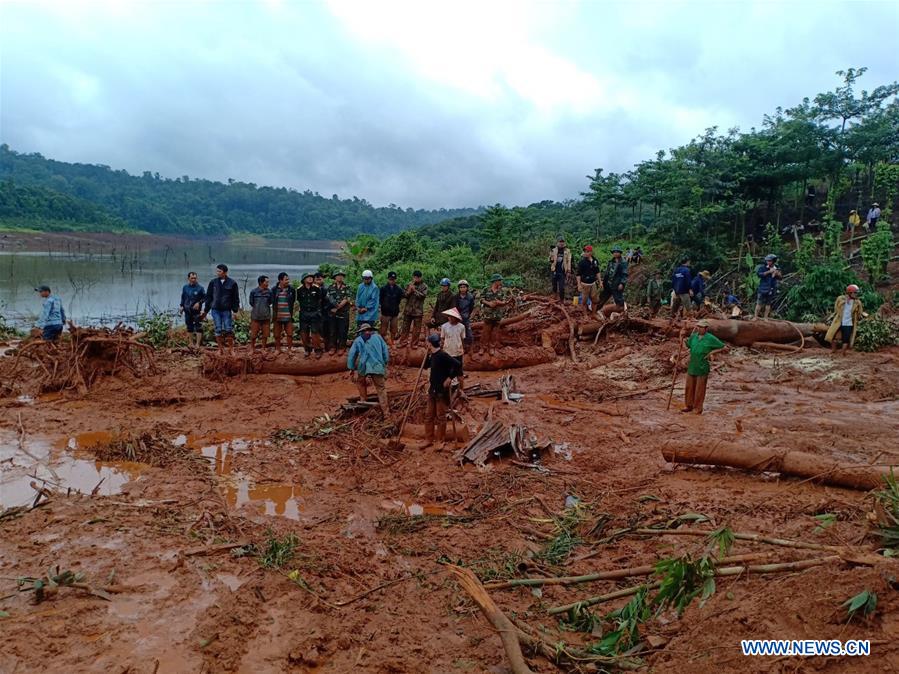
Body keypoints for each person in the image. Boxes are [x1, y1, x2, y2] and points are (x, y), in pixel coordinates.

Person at [421, 333, 463, 450]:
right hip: (432, 389)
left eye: (427, 342)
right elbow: (425, 366)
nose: (426, 344)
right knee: (428, 415)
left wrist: (449, 378)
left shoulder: (443, 355)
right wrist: (427, 355)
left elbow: (457, 364)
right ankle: (428, 439)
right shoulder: (432, 355)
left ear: (430, 343)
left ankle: (440, 440)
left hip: (441, 390)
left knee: (440, 416)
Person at [682, 320, 728, 415]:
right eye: (698, 326)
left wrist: (712, 352)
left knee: (700, 389)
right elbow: (687, 346)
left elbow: (725, 347)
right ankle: (688, 405)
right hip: (692, 365)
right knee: (689, 387)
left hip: (702, 366)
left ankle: (697, 408)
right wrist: (681, 337)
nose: (699, 328)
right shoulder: (694, 337)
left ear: (706, 328)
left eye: (701, 327)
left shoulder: (710, 338)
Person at [346, 322, 389, 416]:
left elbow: (352, 355)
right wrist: (385, 363)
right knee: (381, 389)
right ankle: (386, 413)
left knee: (360, 383)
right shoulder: (378, 337)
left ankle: (363, 401)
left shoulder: (358, 340)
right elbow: (385, 351)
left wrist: (351, 368)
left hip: (363, 367)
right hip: (377, 366)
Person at [202, 263, 240, 355]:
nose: (217, 273)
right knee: (218, 329)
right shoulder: (213, 282)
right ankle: (220, 349)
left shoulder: (232, 283)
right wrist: (206, 311)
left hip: (227, 310)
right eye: (217, 271)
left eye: (219, 271)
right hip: (215, 310)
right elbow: (209, 297)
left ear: (225, 272)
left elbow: (235, 298)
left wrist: (235, 311)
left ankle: (231, 349)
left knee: (228, 329)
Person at [825, 284, 866, 355]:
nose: (856, 294)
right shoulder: (840, 299)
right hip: (838, 321)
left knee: (845, 339)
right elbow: (836, 308)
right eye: (855, 292)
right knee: (831, 336)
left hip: (849, 323)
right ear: (850, 293)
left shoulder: (857, 302)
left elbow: (860, 312)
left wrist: (864, 316)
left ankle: (843, 353)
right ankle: (833, 350)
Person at [479, 274, 512, 356]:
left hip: (497, 314)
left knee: (495, 332)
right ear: (495, 281)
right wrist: (489, 303)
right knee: (485, 332)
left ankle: (492, 348)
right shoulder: (486, 289)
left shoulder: (502, 291)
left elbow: (505, 302)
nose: (501, 282)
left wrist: (498, 302)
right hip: (488, 314)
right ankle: (483, 348)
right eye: (499, 280)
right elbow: (481, 299)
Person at [297, 272, 324, 358]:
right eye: (308, 277)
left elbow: (320, 300)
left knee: (315, 333)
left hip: (314, 313)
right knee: (304, 333)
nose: (310, 278)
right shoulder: (299, 289)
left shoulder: (316, 288)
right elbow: (299, 300)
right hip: (304, 313)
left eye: (311, 277)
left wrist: (318, 312)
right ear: (304, 280)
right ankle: (307, 349)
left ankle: (318, 350)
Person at [440, 307, 466, 391]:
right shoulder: (444, 326)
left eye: (452, 316)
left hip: (458, 352)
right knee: (447, 372)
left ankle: (461, 390)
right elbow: (442, 339)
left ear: (456, 318)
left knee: (459, 373)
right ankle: (447, 391)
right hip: (447, 352)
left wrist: (463, 349)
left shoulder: (461, 327)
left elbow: (462, 339)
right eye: (449, 316)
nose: (450, 318)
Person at [325, 271, 351, 354]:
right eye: (338, 276)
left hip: (343, 313)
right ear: (335, 277)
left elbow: (346, 299)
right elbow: (329, 298)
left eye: (341, 276)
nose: (340, 277)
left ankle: (341, 347)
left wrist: (338, 307)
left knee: (342, 331)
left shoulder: (347, 287)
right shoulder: (330, 287)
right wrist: (335, 308)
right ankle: (333, 347)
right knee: (332, 331)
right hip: (332, 313)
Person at [399, 270, 428, 346]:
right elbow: (404, 295)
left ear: (420, 278)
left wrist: (414, 290)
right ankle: (403, 342)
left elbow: (422, 296)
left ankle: (414, 344)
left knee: (417, 329)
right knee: (405, 327)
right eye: (414, 277)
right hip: (408, 310)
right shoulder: (409, 284)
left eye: (417, 277)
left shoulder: (424, 286)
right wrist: (409, 290)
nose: (416, 279)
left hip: (418, 311)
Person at [179, 272, 206, 349]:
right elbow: (183, 297)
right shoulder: (185, 287)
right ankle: (191, 343)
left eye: (195, 278)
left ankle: (197, 344)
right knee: (189, 327)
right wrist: (181, 306)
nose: (194, 280)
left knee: (198, 327)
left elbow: (205, 298)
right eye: (192, 278)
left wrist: (199, 303)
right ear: (188, 278)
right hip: (187, 310)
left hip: (196, 311)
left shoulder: (200, 288)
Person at [596, 246, 628, 312]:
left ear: (620, 253)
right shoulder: (611, 262)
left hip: (616, 284)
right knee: (602, 298)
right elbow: (607, 272)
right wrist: (603, 281)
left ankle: (621, 313)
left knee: (619, 300)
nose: (615, 253)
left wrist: (622, 283)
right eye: (614, 252)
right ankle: (595, 311)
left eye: (617, 252)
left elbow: (624, 274)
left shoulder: (623, 262)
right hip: (608, 284)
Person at [272, 272, 296, 355]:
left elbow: (293, 301)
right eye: (286, 280)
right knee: (277, 334)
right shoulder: (274, 289)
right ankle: (278, 349)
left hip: (288, 315)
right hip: (278, 316)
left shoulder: (291, 289)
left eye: (288, 279)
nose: (288, 281)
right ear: (280, 280)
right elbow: (272, 301)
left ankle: (289, 349)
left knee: (289, 333)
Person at [248, 275, 273, 352]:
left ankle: (263, 348)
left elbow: (270, 302)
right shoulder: (254, 292)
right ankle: (252, 348)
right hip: (256, 316)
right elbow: (251, 302)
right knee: (254, 334)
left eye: (268, 282)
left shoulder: (269, 292)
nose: (268, 283)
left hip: (266, 316)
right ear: (261, 282)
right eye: (266, 282)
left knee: (265, 334)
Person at [753, 254, 781, 320]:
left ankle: (766, 317)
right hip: (763, 288)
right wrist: (769, 272)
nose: (768, 262)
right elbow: (759, 274)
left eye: (770, 261)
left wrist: (778, 274)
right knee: (759, 303)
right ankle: (755, 317)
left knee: (768, 304)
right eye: (767, 261)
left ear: (773, 261)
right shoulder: (763, 267)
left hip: (771, 288)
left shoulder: (777, 267)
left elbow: (780, 277)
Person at [379, 271, 403, 343]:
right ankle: (383, 343)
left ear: (395, 279)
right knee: (383, 331)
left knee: (394, 330)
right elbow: (380, 299)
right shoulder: (383, 289)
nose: (392, 281)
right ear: (388, 279)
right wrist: (381, 310)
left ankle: (392, 342)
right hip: (385, 313)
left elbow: (399, 300)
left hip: (394, 313)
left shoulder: (399, 289)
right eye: (390, 279)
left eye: (393, 279)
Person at [576, 245, 600, 315]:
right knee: (584, 301)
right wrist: (579, 285)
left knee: (595, 300)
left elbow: (597, 271)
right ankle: (585, 315)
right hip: (585, 284)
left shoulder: (595, 261)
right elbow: (578, 274)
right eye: (585, 251)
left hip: (593, 283)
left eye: (587, 251)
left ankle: (593, 314)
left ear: (591, 252)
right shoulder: (582, 262)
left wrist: (600, 281)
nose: (586, 253)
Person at [548, 237, 572, 303]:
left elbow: (569, 261)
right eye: (560, 242)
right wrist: (551, 255)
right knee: (554, 285)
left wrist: (569, 271)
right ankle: (555, 296)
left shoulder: (567, 251)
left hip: (562, 271)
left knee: (561, 287)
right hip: (554, 270)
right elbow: (550, 260)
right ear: (557, 242)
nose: (561, 243)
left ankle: (562, 300)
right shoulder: (554, 250)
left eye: (562, 242)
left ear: (564, 243)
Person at [454, 280, 476, 347]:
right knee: (457, 332)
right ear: (459, 288)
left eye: (464, 287)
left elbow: (471, 307)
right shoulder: (456, 297)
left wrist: (469, 315)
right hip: (457, 317)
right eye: (461, 287)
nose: (463, 289)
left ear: (467, 288)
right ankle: (459, 345)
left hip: (466, 317)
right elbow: (454, 307)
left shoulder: (470, 297)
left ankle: (470, 348)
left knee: (469, 333)